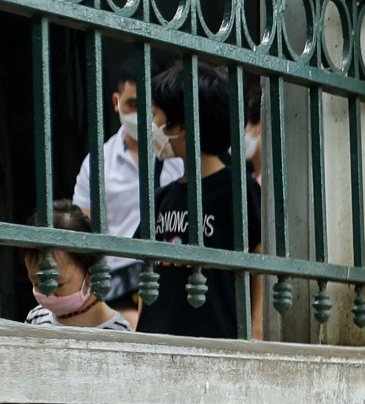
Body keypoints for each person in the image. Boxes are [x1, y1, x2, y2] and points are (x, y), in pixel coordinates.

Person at [134, 60, 262, 341]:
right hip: (157, 340)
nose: (151, 124)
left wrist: (257, 330)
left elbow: (260, 263)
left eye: (156, 114)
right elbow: (148, 274)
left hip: (218, 339)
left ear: (181, 126)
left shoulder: (240, 191)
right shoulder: (161, 198)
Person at [70, 64, 185, 317]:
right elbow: (81, 228)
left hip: (175, 277)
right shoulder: (97, 163)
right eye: (133, 104)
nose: (141, 113)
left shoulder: (180, 155)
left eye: (149, 106)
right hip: (116, 287)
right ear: (116, 101)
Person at [13, 201, 133, 331]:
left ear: (90, 272)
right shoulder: (37, 318)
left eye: (58, 284)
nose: (48, 293)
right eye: (36, 283)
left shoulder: (117, 330)